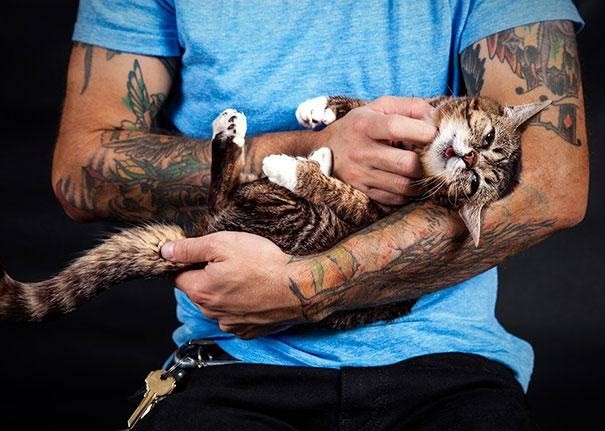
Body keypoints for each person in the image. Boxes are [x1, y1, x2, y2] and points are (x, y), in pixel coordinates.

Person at [53, 1, 587, 429]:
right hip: (236, 358)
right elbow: (80, 173)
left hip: (448, 364)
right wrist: (315, 147)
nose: (469, 159)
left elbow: (552, 188)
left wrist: (303, 289)